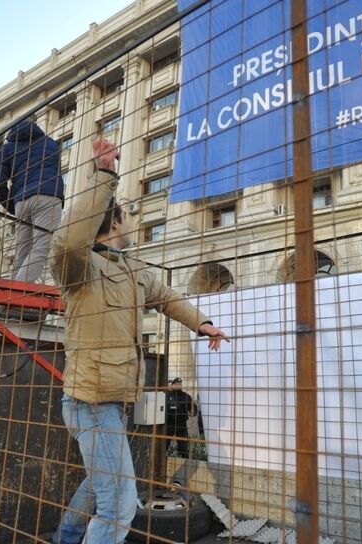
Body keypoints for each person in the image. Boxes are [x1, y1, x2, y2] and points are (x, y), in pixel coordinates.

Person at [49, 139, 230, 544]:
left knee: (100, 487)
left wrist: (204, 324)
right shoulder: (80, 269)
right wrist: (104, 177)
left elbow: (166, 297)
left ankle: (66, 536)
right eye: (127, 213)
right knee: (119, 507)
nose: (131, 219)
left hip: (116, 399)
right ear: (113, 221)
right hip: (91, 402)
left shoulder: (132, 271)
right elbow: (67, 241)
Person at [0, 119, 64, 285]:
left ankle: (9, 300)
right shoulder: (50, 143)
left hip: (21, 201)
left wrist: (11, 205)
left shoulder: (8, 148)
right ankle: (14, 298)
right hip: (48, 196)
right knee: (41, 248)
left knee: (22, 253)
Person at [165, 377, 195, 458]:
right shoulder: (167, 396)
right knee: (164, 445)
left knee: (183, 447)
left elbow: (193, 407)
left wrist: (193, 411)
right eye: (176, 384)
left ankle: (184, 461)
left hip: (181, 425)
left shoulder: (186, 396)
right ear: (173, 385)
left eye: (179, 384)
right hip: (169, 424)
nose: (178, 385)